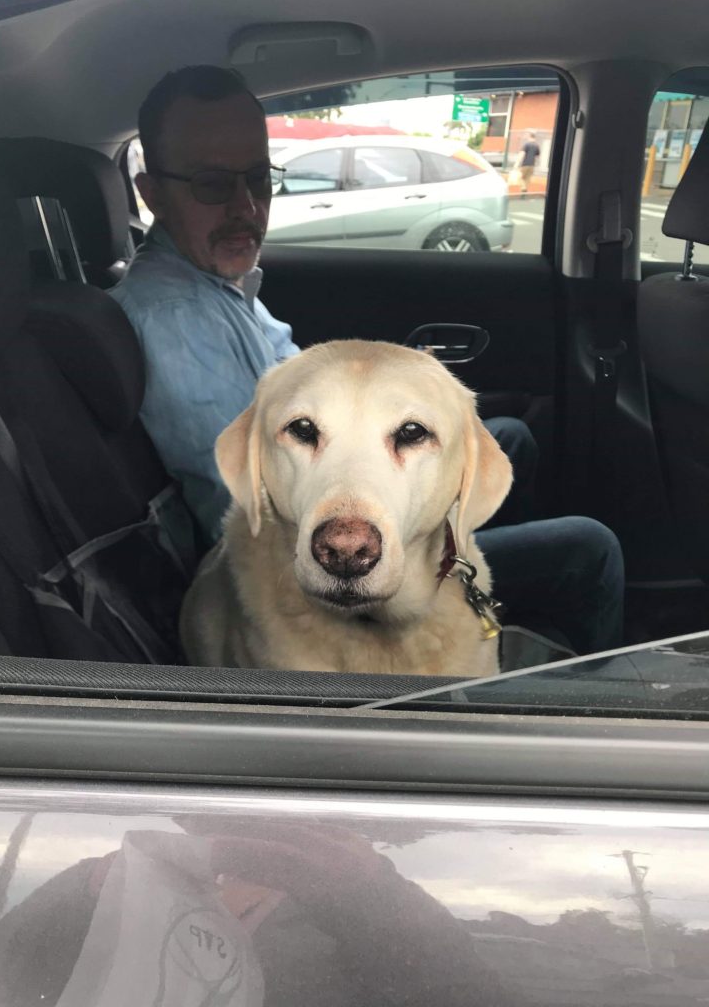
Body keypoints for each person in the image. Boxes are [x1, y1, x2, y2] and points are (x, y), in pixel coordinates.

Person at [111, 65, 623, 655]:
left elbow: (307, 395)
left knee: (509, 439)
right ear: (151, 195)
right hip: (306, 562)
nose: (245, 207)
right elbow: (237, 507)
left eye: (257, 177)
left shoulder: (218, 286)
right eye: (210, 184)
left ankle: (486, 601)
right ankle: (592, 699)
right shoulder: (171, 316)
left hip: (343, 521)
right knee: (591, 549)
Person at [515, 130, 541, 196]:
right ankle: (524, 192)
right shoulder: (537, 146)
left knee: (521, 178)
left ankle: (523, 189)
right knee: (527, 179)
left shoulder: (527, 144)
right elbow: (537, 156)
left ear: (529, 136)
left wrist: (517, 163)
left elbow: (522, 154)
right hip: (532, 165)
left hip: (525, 164)